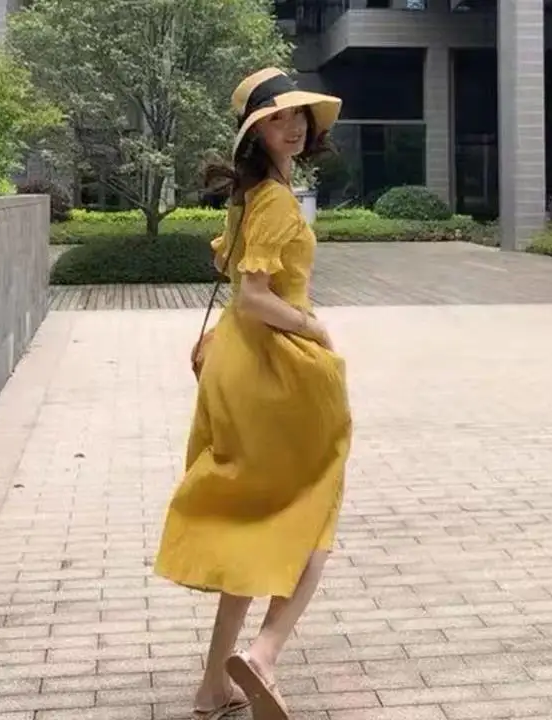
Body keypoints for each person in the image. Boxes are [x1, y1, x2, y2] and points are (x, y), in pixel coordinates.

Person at [154, 67, 352, 720]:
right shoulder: (276, 202)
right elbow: (254, 296)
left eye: (298, 115)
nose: (292, 127)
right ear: (255, 132)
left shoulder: (252, 194)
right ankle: (265, 653)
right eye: (275, 118)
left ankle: (214, 686)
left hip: (239, 364)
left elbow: (236, 278)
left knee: (254, 517)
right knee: (313, 509)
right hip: (278, 367)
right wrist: (313, 328)